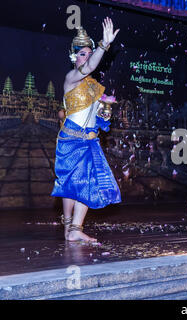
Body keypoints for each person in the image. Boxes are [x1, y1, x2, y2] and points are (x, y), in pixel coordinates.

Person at [51, 18, 121, 242]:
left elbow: (97, 116)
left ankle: (74, 229)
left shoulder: (93, 86)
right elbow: (90, 67)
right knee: (72, 184)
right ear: (74, 57)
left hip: (90, 139)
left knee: (88, 182)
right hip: (72, 138)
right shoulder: (71, 78)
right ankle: (70, 226)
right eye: (82, 53)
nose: (87, 57)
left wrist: (104, 114)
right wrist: (104, 44)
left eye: (89, 53)